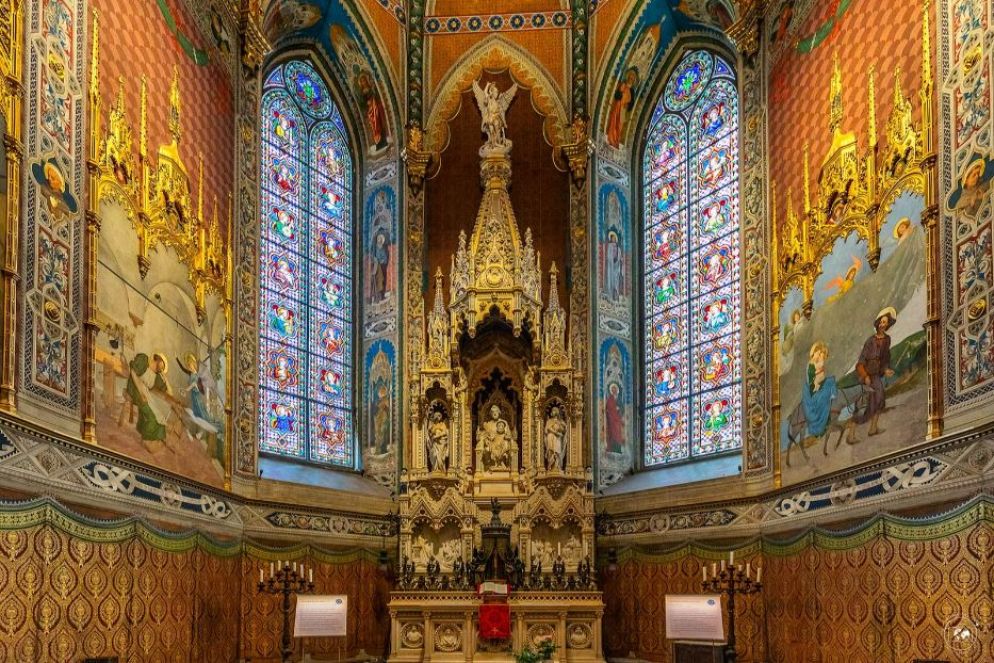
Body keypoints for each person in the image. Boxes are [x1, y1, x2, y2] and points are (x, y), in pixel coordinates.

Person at [854, 308, 896, 436]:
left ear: (888, 325)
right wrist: (865, 376)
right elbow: (860, 362)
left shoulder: (887, 340)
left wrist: (886, 370)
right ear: (878, 323)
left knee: (879, 399)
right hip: (867, 375)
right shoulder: (870, 341)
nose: (883, 325)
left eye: (885, 323)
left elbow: (885, 358)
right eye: (881, 322)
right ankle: (853, 432)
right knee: (868, 403)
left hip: (876, 375)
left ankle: (873, 428)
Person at [801, 341, 837, 438]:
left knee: (831, 380)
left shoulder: (819, 361)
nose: (821, 355)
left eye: (822, 354)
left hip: (821, 383)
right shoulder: (811, 365)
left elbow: (822, 374)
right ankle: (822, 423)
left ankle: (833, 396)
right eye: (820, 353)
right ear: (815, 352)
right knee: (824, 395)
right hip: (813, 389)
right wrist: (816, 383)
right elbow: (811, 381)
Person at [606, 69, 637, 148]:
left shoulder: (632, 91)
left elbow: (632, 103)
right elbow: (617, 95)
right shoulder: (622, 85)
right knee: (614, 120)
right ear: (627, 77)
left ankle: (616, 140)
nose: (631, 79)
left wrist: (628, 104)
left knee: (620, 124)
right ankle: (611, 138)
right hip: (617, 106)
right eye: (630, 77)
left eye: (632, 78)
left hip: (623, 109)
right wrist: (622, 95)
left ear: (634, 80)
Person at [544, 406, 567, 471]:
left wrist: (561, 428)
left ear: (557, 412)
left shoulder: (561, 421)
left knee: (558, 451)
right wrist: (555, 432)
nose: (552, 412)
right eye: (552, 410)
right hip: (551, 437)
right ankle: (550, 466)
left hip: (558, 438)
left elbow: (564, 430)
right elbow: (546, 429)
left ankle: (558, 467)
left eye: (554, 410)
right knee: (550, 451)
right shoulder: (549, 421)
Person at [605, 382, 625, 453]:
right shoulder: (610, 399)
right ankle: (612, 448)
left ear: (617, 390)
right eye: (613, 389)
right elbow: (608, 407)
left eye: (615, 389)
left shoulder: (619, 399)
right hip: (611, 419)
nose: (614, 390)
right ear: (611, 391)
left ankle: (618, 449)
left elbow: (622, 408)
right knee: (612, 433)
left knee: (618, 433)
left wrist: (619, 409)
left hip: (617, 418)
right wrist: (614, 409)